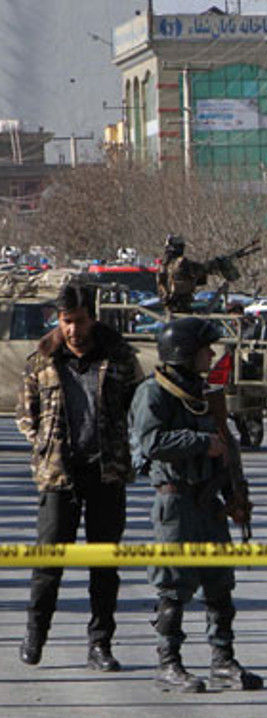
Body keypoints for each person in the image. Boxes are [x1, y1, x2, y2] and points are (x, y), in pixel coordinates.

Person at [15, 282, 145, 671]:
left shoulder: (119, 357)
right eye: (66, 321)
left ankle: (100, 644)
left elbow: (139, 407)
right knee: (48, 562)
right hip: (59, 474)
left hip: (106, 473)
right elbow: (26, 413)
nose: (73, 330)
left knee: (104, 564)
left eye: (80, 321)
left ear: (93, 318)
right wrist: (44, 444)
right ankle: (35, 634)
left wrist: (129, 447)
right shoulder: (42, 360)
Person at [129, 317, 262, 693]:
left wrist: (236, 495)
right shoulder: (154, 392)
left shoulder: (204, 394)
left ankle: (223, 661)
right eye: (206, 349)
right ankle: (168, 663)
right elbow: (152, 442)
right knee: (173, 587)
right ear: (184, 353)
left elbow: (225, 444)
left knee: (219, 585)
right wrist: (202, 443)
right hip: (176, 502)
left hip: (209, 501)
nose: (212, 355)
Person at [156, 235, 209, 314]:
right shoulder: (182, 263)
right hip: (182, 304)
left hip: (168, 306)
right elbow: (202, 274)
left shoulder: (162, 265)